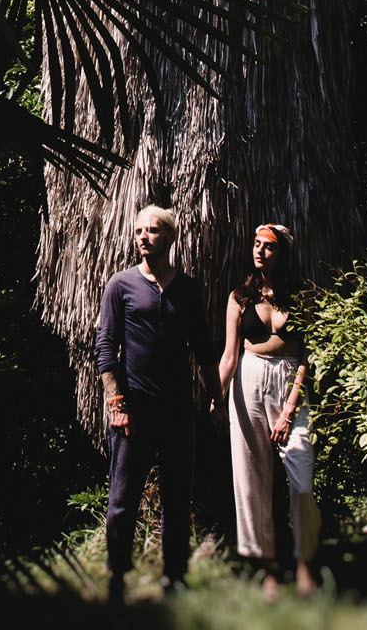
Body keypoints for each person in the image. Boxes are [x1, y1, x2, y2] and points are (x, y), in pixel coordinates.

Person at [93, 203, 210, 602]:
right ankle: (117, 577)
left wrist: (216, 398)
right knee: (122, 498)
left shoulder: (188, 289)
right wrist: (116, 403)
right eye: (139, 230)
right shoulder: (120, 284)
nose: (144, 236)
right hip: (134, 409)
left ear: (170, 237)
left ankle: (174, 579)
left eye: (153, 230)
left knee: (177, 499)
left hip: (177, 409)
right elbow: (106, 347)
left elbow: (204, 349)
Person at [217, 223, 320, 596]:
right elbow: (229, 356)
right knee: (251, 479)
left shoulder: (302, 296)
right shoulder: (240, 297)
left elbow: (308, 356)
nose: (260, 250)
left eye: (269, 246)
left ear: (283, 253)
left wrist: (290, 408)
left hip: (290, 381)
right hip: (248, 381)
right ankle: (268, 570)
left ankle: (305, 566)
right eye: (257, 244)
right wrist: (216, 396)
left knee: (302, 476)